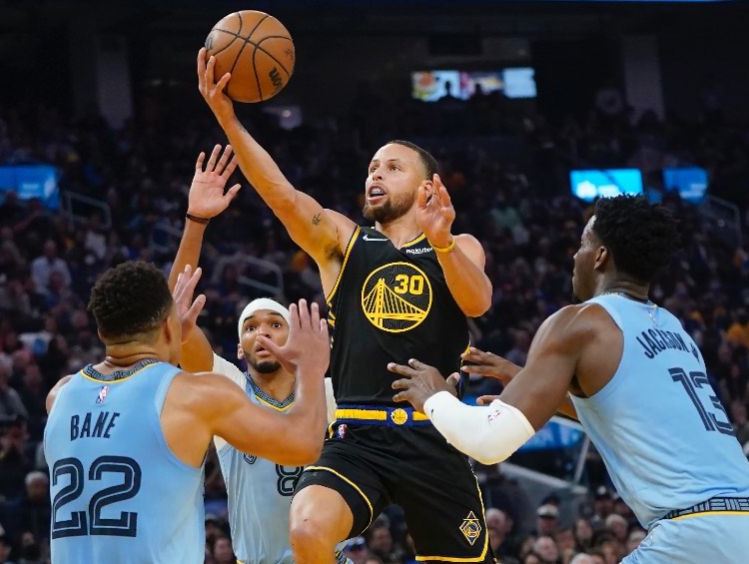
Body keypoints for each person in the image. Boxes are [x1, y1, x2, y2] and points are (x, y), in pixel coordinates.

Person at [199, 50, 495, 563]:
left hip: (435, 434)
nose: (375, 174)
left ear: (427, 188)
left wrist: (442, 242)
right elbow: (283, 196)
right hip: (358, 431)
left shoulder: (459, 246)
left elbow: (478, 301)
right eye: (372, 167)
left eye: (393, 167)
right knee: (309, 527)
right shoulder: (344, 241)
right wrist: (228, 117)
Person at [388, 196, 749, 563]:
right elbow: (626, 417)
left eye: (582, 244)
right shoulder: (672, 327)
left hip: (701, 535)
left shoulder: (579, 323)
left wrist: (435, 398)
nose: (575, 256)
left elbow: (489, 444)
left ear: (599, 257)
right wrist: (526, 380)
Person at [43, 261, 330, 563]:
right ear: (170, 326)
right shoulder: (194, 397)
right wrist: (310, 370)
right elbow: (305, 444)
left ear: (101, 332)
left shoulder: (59, 397)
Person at [166, 145, 337, 564]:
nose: (263, 333)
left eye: (275, 324)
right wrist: (196, 221)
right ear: (239, 351)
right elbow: (176, 309)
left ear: (297, 338)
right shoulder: (225, 388)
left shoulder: (327, 389)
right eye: (251, 327)